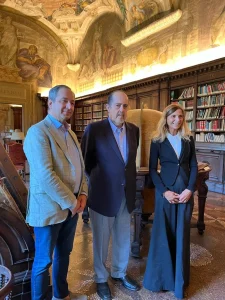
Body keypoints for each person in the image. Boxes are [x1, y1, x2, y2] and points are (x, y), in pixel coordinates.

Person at [24, 85, 88, 300]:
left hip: (71, 208)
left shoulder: (69, 133)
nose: (69, 106)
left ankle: (61, 295)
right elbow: (45, 175)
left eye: (72, 102)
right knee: (44, 262)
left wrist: (83, 195)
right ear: (50, 103)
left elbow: (80, 167)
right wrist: (71, 201)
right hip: (50, 209)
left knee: (64, 254)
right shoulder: (38, 132)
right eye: (64, 101)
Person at [81, 90, 140, 300]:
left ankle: (119, 273)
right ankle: (100, 278)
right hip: (102, 195)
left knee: (124, 237)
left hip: (126, 194)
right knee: (101, 240)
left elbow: (129, 163)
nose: (121, 110)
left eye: (125, 106)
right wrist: (98, 182)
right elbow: (86, 163)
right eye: (117, 105)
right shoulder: (94, 130)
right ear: (107, 107)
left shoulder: (134, 130)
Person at [143, 104, 198, 299]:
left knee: (182, 235)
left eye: (180, 117)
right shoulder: (157, 140)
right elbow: (152, 170)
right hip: (165, 193)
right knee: (163, 235)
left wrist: (190, 189)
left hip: (184, 193)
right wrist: (164, 192)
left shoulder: (188, 139)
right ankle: (162, 280)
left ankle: (178, 283)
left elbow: (193, 165)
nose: (177, 120)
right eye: (173, 116)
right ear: (166, 118)